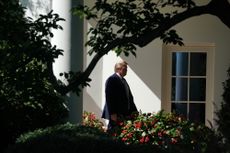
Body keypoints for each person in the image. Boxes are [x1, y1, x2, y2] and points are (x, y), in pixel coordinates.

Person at [102, 60, 138, 131]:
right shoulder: (112, 79)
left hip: (125, 113)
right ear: (118, 69)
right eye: (125, 69)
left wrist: (134, 111)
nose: (126, 70)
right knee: (114, 132)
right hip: (116, 114)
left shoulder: (123, 80)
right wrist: (112, 113)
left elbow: (129, 97)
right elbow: (109, 97)